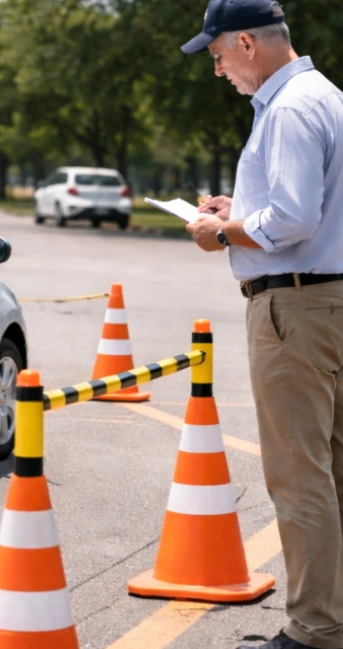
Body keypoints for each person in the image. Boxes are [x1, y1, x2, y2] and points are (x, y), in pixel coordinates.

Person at [182, 2, 343, 648]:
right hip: (331, 297)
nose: (218, 69)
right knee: (331, 469)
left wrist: (221, 230)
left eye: (218, 55)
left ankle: (314, 631)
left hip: (294, 308)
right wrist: (240, 209)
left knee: (299, 473)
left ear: (246, 43)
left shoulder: (288, 109)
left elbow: (293, 220)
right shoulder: (326, 96)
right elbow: (311, 207)